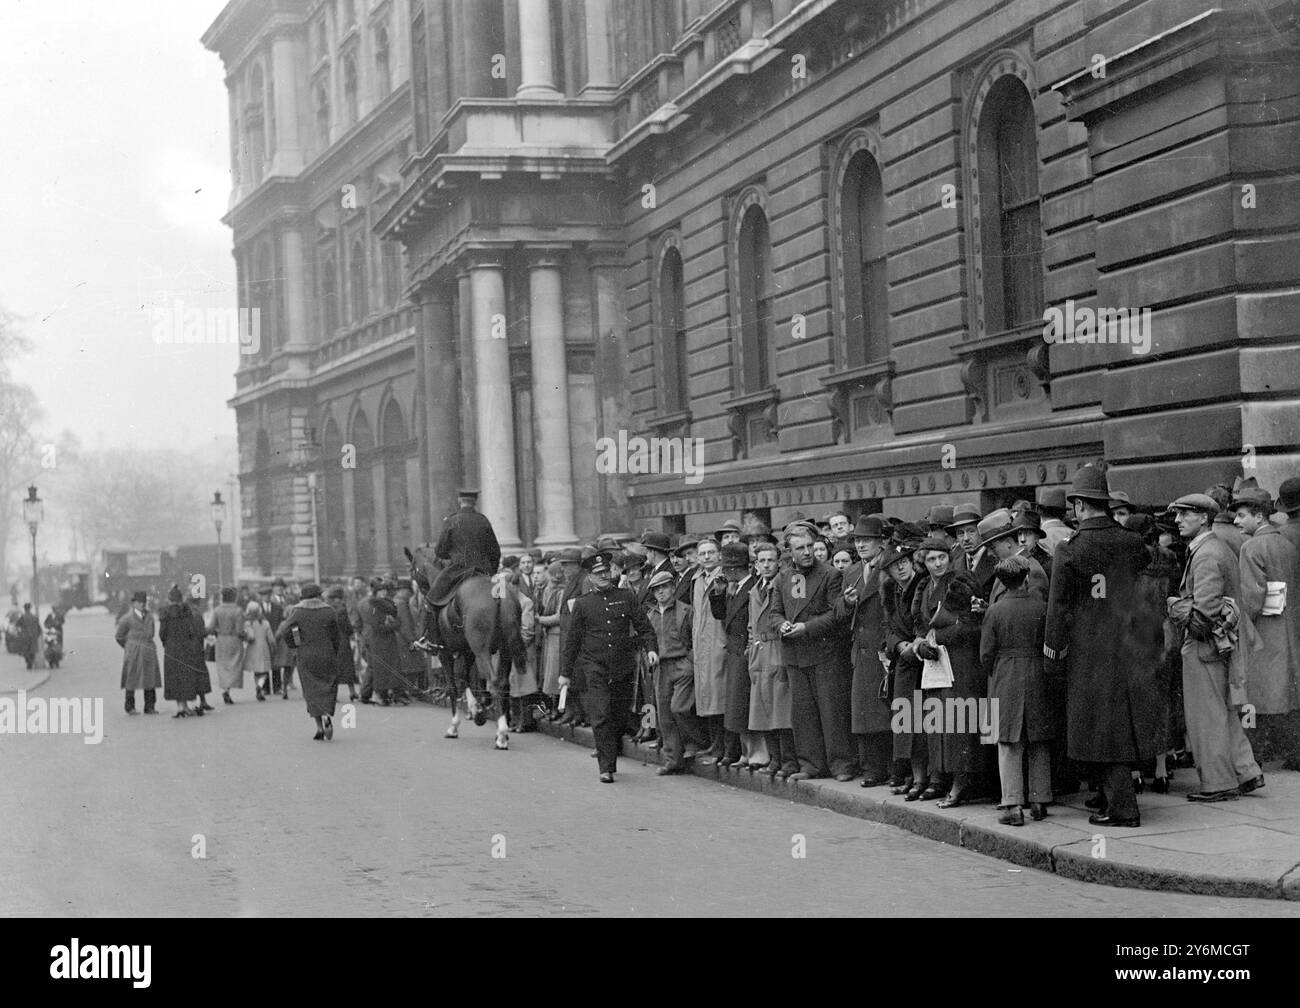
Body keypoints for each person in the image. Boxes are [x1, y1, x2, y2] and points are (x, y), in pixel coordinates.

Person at [1044, 465, 1158, 827]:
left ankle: (1123, 808)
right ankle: (1111, 799)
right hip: (1130, 643)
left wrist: (1052, 653)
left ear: (1079, 506)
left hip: (1089, 651)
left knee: (1098, 727)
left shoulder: (1070, 550)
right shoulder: (1131, 541)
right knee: (1122, 722)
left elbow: (1058, 609)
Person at [1167, 492, 1264, 802]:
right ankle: (1245, 771)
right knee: (1224, 712)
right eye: (1177, 515)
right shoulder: (1214, 548)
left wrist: (1174, 606)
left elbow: (1202, 617)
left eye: (1185, 515)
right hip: (1221, 647)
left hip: (1203, 648)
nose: (1177, 521)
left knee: (1206, 717)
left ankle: (1219, 783)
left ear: (1204, 519)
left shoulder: (1207, 553)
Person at [767, 522, 856, 782]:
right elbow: (774, 612)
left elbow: (835, 614)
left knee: (831, 711)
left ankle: (841, 765)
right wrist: (781, 625)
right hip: (794, 655)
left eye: (809, 546)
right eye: (800, 548)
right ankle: (811, 765)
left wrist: (806, 627)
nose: (807, 552)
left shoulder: (830, 574)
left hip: (824, 652)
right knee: (803, 713)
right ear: (789, 551)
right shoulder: (783, 577)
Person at [561, 552, 658, 783]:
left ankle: (611, 752)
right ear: (591, 577)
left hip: (623, 667)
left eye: (606, 572)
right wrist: (565, 674)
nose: (603, 576)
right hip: (595, 667)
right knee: (601, 715)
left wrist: (651, 648)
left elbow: (644, 627)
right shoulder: (583, 604)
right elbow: (572, 642)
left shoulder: (626, 597)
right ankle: (606, 767)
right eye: (598, 574)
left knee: (618, 715)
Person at [981, 555, 1053, 825]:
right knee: (1039, 738)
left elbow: (986, 653)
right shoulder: (1042, 607)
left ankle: (1013, 805)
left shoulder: (995, 610)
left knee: (1009, 740)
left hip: (1006, 673)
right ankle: (1039, 799)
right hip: (1037, 672)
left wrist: (997, 669)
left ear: (1002, 581)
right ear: (1026, 578)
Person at [1233, 484, 1300, 769]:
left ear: (1259, 517)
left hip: (1262, 630)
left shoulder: (1251, 547)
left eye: (1241, 515)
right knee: (1284, 689)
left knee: (1258, 694)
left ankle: (1256, 756)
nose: (1236, 521)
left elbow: (1251, 597)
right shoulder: (1286, 543)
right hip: (1287, 626)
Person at [836, 514, 892, 787]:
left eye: (866, 540)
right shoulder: (853, 571)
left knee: (884, 711)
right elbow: (837, 611)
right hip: (860, 650)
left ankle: (890, 768)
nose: (860, 545)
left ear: (881, 543)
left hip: (882, 648)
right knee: (863, 713)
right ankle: (872, 768)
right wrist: (846, 604)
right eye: (857, 540)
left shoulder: (889, 567)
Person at [416, 488, 502, 653]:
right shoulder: (483, 521)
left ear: (459, 501)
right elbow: (495, 552)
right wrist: (491, 572)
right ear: (475, 502)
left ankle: (431, 641)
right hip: (483, 571)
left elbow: (440, 551)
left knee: (431, 600)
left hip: (458, 570)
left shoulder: (451, 521)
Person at [710, 541, 765, 769]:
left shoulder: (751, 587)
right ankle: (745, 751)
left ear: (734, 569)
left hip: (745, 653)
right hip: (735, 654)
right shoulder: (734, 588)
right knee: (738, 707)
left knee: (747, 706)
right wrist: (719, 594)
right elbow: (721, 615)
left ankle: (756, 753)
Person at [646, 569, 706, 774]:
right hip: (661, 667)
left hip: (682, 664)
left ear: (673, 588)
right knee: (664, 714)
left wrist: (689, 660)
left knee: (679, 707)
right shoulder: (651, 615)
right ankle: (672, 759)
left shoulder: (685, 610)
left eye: (665, 587)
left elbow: (695, 637)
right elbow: (646, 640)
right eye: (656, 589)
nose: (661, 592)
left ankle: (696, 743)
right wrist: (650, 653)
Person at [748, 541, 796, 777]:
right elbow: (751, 624)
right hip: (759, 652)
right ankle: (774, 759)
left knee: (781, 710)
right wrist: (751, 649)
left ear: (778, 563)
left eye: (770, 560)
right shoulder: (755, 589)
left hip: (778, 648)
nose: (766, 565)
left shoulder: (783, 585)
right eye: (762, 561)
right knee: (763, 710)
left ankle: (788, 761)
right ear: (756, 565)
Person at [276, 583, 341, 740]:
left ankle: (319, 727)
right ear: (319, 596)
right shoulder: (329, 611)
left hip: (306, 655)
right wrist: (333, 649)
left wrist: (296, 643)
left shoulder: (297, 612)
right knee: (328, 686)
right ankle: (326, 714)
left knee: (310, 690)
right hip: (326, 653)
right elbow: (336, 635)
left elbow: (286, 630)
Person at [690, 538, 728, 760]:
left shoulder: (721, 580)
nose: (706, 557)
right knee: (707, 699)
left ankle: (722, 747)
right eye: (702, 553)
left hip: (717, 644)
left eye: (711, 552)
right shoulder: (698, 580)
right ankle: (714, 744)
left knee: (719, 699)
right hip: (702, 646)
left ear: (719, 554)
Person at [159, 585, 202, 718]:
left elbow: (162, 633)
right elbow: (192, 630)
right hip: (185, 648)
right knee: (185, 677)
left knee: (174, 678)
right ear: (181, 598)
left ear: (170, 599)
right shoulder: (186, 610)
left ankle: (180, 708)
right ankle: (186, 707)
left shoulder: (165, 612)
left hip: (171, 649)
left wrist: (166, 643)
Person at [116, 591, 161, 715]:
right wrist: (128, 647)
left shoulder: (150, 617)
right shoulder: (126, 619)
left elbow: (152, 633)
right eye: (139, 602)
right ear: (134, 603)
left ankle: (150, 706)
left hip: (148, 650)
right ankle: (130, 707)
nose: (142, 604)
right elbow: (119, 636)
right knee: (131, 678)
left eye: (144, 602)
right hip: (133, 652)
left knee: (150, 678)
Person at [366, 581, 404, 707]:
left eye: (385, 590)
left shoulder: (386, 605)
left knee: (389, 668)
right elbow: (377, 626)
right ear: (376, 592)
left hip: (387, 641)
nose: (384, 592)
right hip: (380, 641)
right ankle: (381, 695)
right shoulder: (374, 606)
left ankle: (387, 694)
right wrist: (395, 625)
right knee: (381, 669)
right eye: (381, 590)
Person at [537, 560, 565, 719]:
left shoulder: (562, 591)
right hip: (550, 636)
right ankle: (551, 706)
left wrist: (540, 620)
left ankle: (557, 708)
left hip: (557, 635)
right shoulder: (549, 589)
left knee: (555, 674)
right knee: (549, 675)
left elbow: (558, 617)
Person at [208, 587, 245, 705]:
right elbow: (240, 631)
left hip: (221, 640)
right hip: (234, 640)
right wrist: (246, 635)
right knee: (234, 666)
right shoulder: (238, 611)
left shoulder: (217, 610)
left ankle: (225, 689)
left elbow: (211, 627)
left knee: (223, 666)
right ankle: (228, 690)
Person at [325, 587, 360, 702]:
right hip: (343, 641)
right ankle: (352, 691)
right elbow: (347, 627)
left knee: (334, 670)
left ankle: (333, 694)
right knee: (348, 668)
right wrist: (351, 631)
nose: (340, 600)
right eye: (339, 598)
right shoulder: (341, 610)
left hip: (331, 642)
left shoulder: (327, 609)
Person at [242, 600, 277, 701]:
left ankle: (258, 686)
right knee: (264, 670)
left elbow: (249, 637)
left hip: (252, 648)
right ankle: (260, 686)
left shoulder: (248, 623)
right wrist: (273, 647)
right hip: (264, 648)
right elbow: (271, 638)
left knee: (256, 670)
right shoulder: (265, 622)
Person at [15, 603, 39, 670]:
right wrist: (37, 635)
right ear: (30, 608)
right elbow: (38, 628)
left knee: (26, 651)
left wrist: (20, 632)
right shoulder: (34, 617)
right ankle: (31, 661)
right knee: (32, 650)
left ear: (25, 609)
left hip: (25, 636)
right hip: (33, 636)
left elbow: (17, 625)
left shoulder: (22, 617)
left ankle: (29, 663)